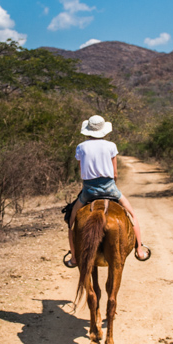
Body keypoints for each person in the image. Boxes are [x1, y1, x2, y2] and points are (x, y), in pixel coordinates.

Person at [64, 114, 149, 268]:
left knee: (71, 220)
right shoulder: (111, 146)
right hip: (110, 187)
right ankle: (140, 250)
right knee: (132, 214)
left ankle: (74, 257)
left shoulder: (81, 147)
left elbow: (81, 170)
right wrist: (111, 186)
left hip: (88, 190)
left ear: (88, 130)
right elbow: (115, 173)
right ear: (103, 130)